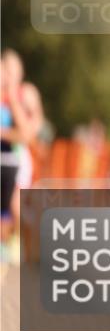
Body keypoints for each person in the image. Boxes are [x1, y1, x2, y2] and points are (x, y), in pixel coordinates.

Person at [1, 49, 44, 260]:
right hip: (7, 154)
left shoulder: (25, 92)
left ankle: (26, 241)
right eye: (5, 69)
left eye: (11, 70)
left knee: (15, 203)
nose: (8, 74)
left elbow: (33, 128)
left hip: (19, 155)